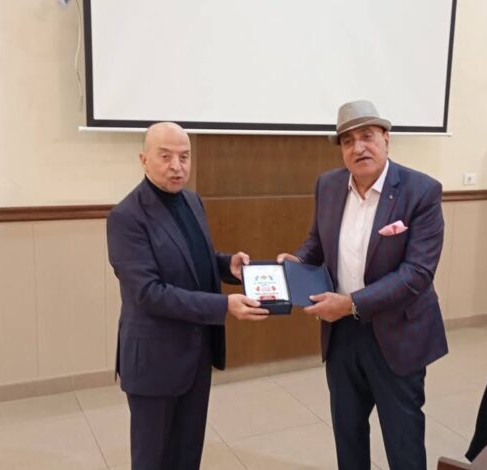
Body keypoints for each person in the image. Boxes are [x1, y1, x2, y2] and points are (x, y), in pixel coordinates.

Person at [278, 100, 448, 470]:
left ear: (386, 138)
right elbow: (317, 242)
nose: (358, 148)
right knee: (348, 435)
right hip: (341, 334)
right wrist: (299, 262)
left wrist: (352, 302)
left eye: (367, 136)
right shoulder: (328, 185)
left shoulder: (421, 191)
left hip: (397, 333)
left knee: (403, 442)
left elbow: (417, 274)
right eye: (348, 141)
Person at [106, 122, 269, 470]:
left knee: (187, 455)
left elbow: (194, 259)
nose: (177, 166)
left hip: (196, 354)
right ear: (143, 160)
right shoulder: (126, 216)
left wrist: (227, 265)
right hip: (154, 360)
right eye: (165, 157)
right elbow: (149, 293)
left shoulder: (192, 201)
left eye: (184, 156)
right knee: (152, 459)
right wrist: (224, 305)